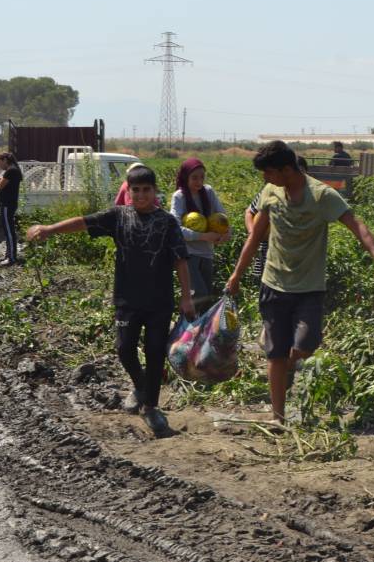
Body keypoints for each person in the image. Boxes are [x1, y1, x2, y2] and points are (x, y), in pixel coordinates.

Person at [226, 141, 374, 424]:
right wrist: (236, 275)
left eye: (269, 172)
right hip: (273, 283)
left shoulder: (321, 195)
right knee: (275, 354)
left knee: (306, 344)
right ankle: (278, 417)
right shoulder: (270, 192)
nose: (265, 178)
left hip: (309, 287)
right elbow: (255, 237)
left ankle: (291, 367)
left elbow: (357, 225)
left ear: (287, 169)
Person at [26, 165, 194, 438]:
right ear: (127, 191)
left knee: (154, 354)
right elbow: (83, 222)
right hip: (127, 299)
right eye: (135, 190)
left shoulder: (167, 223)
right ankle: (140, 386)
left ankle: (151, 408)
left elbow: (181, 260)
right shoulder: (118, 216)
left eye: (146, 190)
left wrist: (186, 296)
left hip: (159, 301)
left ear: (155, 192)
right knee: (124, 349)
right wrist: (49, 229)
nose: (140, 196)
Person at [171, 158, 230, 309]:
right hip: (188, 254)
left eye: (202, 177)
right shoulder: (179, 196)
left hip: (207, 253)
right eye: (194, 178)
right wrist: (203, 236)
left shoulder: (208, 192)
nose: (199, 181)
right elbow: (174, 228)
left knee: (206, 296)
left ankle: (201, 329)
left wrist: (226, 233)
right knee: (199, 294)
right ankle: (187, 328)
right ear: (185, 177)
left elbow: (222, 216)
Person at [244, 156, 309, 280]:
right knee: (266, 282)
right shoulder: (271, 191)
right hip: (267, 248)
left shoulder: (310, 196)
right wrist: (253, 233)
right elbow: (250, 211)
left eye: (302, 172)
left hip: (295, 253)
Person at [0, 152, 23, 266]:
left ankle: (11, 258)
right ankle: (8, 255)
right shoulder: (12, 170)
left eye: (0, 162)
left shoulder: (11, 171)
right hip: (7, 204)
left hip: (8, 204)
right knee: (7, 231)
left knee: (9, 231)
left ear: (5, 160)